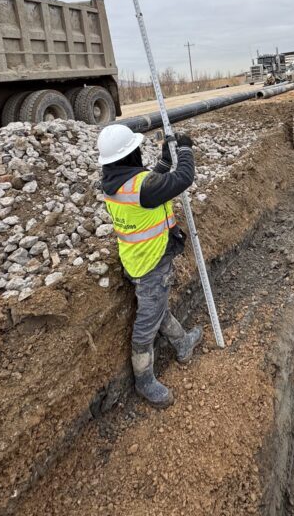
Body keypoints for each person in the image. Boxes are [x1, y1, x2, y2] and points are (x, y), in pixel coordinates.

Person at [97, 124, 203, 408]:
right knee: (146, 325)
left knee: (157, 310)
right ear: (130, 154)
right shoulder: (142, 189)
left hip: (135, 260)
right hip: (152, 266)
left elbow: (151, 182)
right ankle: (144, 381)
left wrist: (165, 159)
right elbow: (182, 178)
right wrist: (184, 149)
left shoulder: (114, 184)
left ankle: (182, 343)